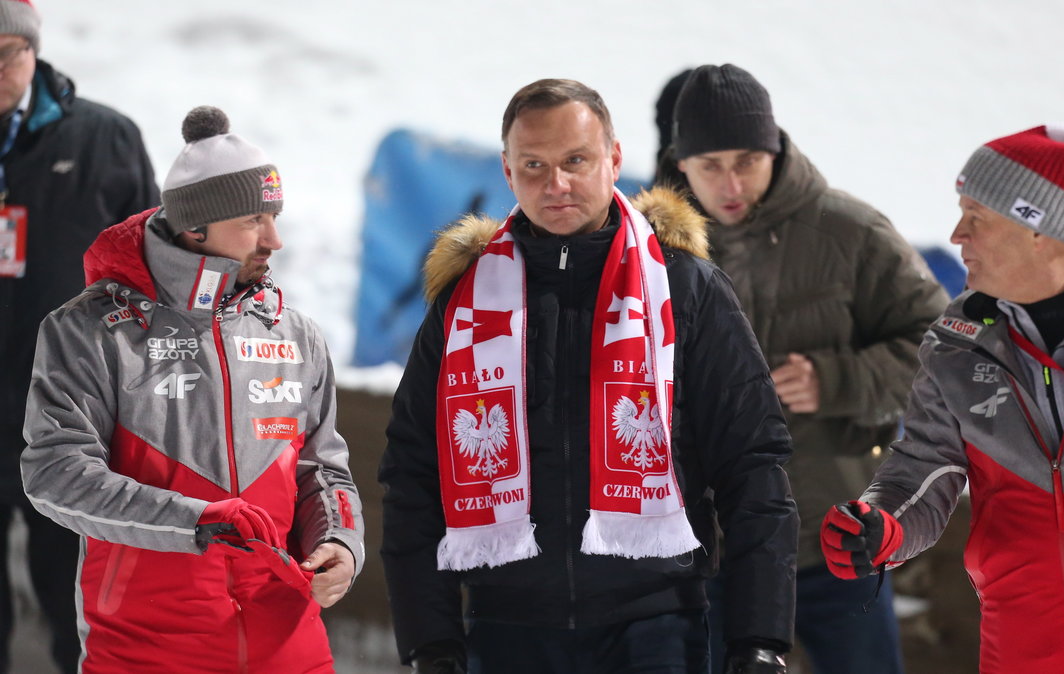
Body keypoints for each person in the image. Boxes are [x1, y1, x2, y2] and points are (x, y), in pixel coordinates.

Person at [380, 78, 799, 674]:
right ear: (506, 171)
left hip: (657, 627)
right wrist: (431, 641)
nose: (557, 185)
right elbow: (414, 472)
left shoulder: (684, 289)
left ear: (614, 158)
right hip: (504, 631)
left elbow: (754, 465)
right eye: (534, 165)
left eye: (576, 160)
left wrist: (759, 637)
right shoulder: (465, 305)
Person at [819, 119, 1064, 673]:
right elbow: (920, 472)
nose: (957, 235)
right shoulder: (955, 344)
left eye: (977, 217)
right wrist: (880, 525)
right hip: (1021, 654)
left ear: (1039, 230)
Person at [20, 106, 364, 673]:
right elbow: (54, 474)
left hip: (291, 647)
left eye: (274, 216)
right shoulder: (87, 330)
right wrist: (193, 520)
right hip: (146, 650)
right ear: (195, 226)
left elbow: (323, 470)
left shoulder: (294, 332)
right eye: (254, 220)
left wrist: (341, 541)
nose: (274, 239)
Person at [659, 64, 948, 673]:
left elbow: (945, 347)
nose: (731, 182)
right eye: (710, 165)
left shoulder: (851, 231)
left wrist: (838, 380)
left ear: (776, 147)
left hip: (833, 540)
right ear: (679, 162)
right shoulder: (650, 251)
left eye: (748, 160)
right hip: (708, 550)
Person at [0, 1, 159, 671]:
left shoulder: (104, 139)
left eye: (6, 52)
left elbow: (153, 279)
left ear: (34, 51)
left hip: (71, 418)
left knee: (80, 606)